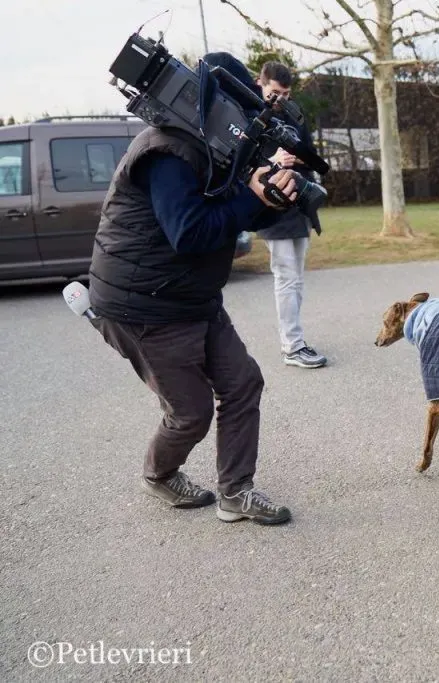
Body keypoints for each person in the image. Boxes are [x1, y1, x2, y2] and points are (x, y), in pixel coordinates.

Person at [87, 52, 296, 525]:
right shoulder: (167, 150)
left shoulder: (214, 146)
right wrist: (250, 200)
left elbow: (236, 214)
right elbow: (190, 233)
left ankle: (236, 491)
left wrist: (273, 202)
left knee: (243, 382)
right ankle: (159, 475)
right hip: (144, 305)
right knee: (192, 412)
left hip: (193, 297)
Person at [255, 61, 327, 369]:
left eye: (285, 93)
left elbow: (311, 155)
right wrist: (272, 159)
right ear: (261, 84)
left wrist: (296, 156)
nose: (279, 99)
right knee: (285, 277)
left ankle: (294, 339)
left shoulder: (294, 115)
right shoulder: (249, 113)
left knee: (296, 279)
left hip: (299, 204)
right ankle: (293, 346)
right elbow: (242, 161)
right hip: (272, 206)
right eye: (274, 92)